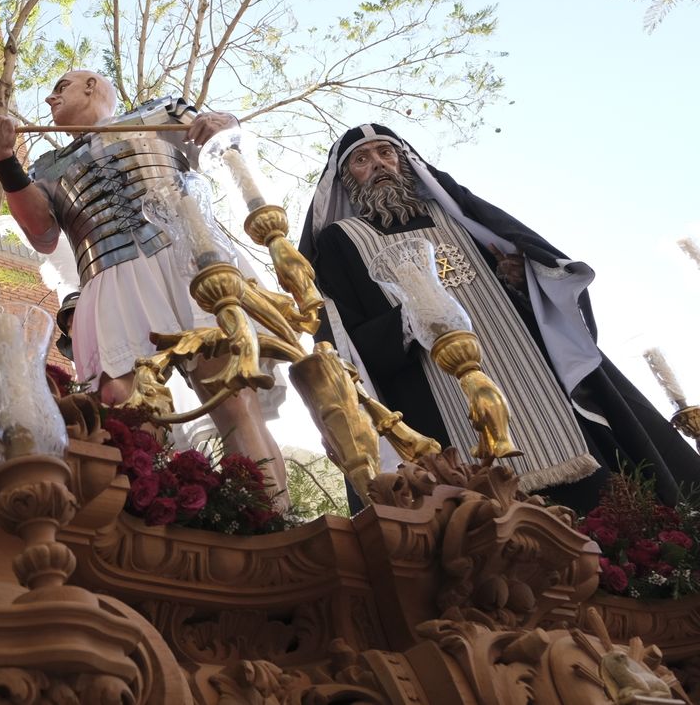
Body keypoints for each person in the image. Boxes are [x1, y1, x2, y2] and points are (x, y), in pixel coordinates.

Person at [300, 123, 700, 509]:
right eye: (362, 159)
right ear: (347, 178)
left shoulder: (458, 215)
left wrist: (521, 282)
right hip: (434, 402)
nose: (378, 165)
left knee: (601, 506)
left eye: (386, 152)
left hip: (533, 383)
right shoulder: (341, 240)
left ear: (404, 162)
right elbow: (344, 343)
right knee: (481, 519)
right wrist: (412, 319)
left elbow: (533, 285)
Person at [0, 69, 287, 501]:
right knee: (129, 415)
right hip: (107, 281)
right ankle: (160, 516)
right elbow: (42, 234)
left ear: (91, 86)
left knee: (231, 398)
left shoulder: (162, 113)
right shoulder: (47, 167)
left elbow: (220, 149)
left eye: (59, 89)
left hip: (187, 259)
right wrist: (3, 160)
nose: (49, 101)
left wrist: (226, 124)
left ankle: (268, 518)